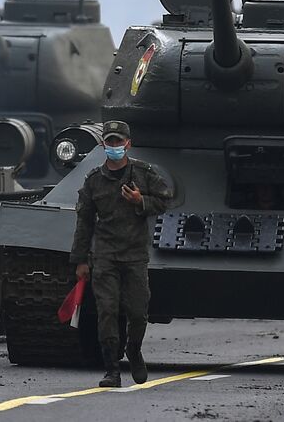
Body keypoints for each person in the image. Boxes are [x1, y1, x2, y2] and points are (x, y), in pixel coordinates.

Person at [70, 120, 172, 388]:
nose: (114, 146)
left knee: (137, 312)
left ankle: (134, 350)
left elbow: (164, 199)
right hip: (105, 255)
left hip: (135, 254)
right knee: (107, 311)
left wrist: (141, 201)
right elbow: (84, 221)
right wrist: (81, 259)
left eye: (119, 141)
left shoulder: (143, 173)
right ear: (103, 144)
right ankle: (112, 369)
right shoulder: (94, 180)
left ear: (128, 144)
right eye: (110, 141)